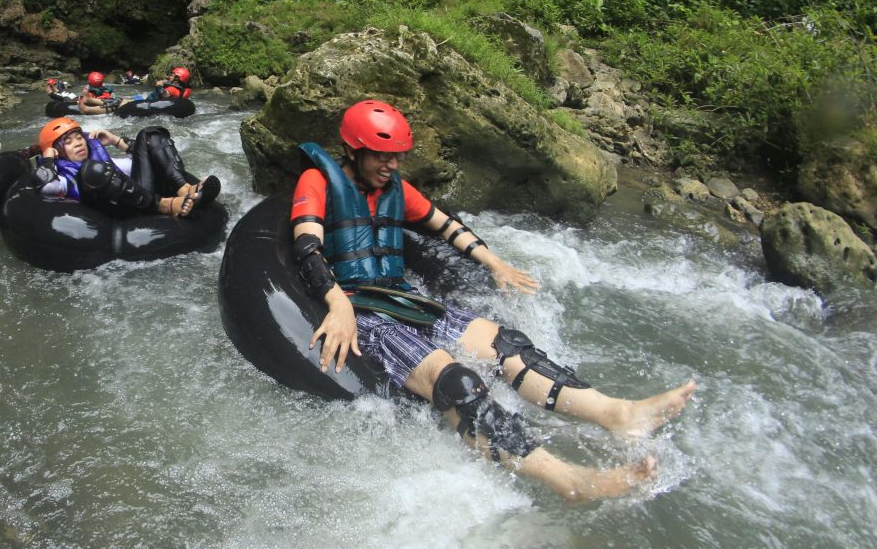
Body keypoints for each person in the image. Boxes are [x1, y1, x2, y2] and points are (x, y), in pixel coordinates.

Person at [289, 99, 697, 502]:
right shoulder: (318, 182)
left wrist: (494, 261)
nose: (392, 166)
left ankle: (619, 415)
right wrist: (338, 304)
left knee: (508, 345)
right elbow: (307, 248)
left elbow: (447, 226)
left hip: (403, 299)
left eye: (397, 157)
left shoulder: (398, 189)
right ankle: (569, 480)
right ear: (354, 150)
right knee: (456, 381)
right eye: (382, 156)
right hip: (363, 312)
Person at [32, 117, 219, 217]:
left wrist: (116, 141)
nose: (78, 143)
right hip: (116, 212)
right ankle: (166, 205)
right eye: (68, 142)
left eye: (79, 137)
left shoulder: (104, 160)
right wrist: (48, 158)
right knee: (93, 170)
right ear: (56, 151)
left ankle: (184, 188)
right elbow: (48, 188)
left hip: (139, 199)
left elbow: (139, 161)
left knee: (148, 134)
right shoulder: (63, 177)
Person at [118, 66, 192, 106]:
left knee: (123, 101)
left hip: (147, 103)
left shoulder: (172, 89)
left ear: (177, 79)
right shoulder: (179, 90)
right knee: (129, 98)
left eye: (172, 75)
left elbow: (164, 95)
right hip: (148, 100)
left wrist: (159, 85)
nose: (169, 76)